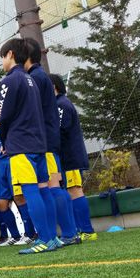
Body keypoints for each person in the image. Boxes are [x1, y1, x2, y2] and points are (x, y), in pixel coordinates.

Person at [0, 38, 57, 254]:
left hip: (20, 144)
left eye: (2, 57)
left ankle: (43, 239)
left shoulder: (9, 81)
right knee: (44, 190)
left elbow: (4, 116)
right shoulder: (30, 79)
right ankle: (52, 238)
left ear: (10, 54)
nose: (2, 62)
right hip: (38, 143)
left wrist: (4, 140)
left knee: (30, 191)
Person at [25, 37, 79, 245]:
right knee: (53, 185)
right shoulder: (39, 76)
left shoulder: (36, 78)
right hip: (47, 140)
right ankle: (67, 233)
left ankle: (67, 234)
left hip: (44, 142)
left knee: (52, 185)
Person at [50, 73, 97, 242]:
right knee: (70, 191)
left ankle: (87, 230)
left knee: (75, 190)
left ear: (53, 87)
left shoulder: (61, 104)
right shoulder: (57, 104)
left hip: (70, 156)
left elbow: (60, 131)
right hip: (65, 156)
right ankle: (78, 229)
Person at [0, 93, 30, 246]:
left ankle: (30, 234)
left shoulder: (9, 120)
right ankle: (15, 236)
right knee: (1, 204)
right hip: (1, 167)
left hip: (12, 161)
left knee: (19, 198)